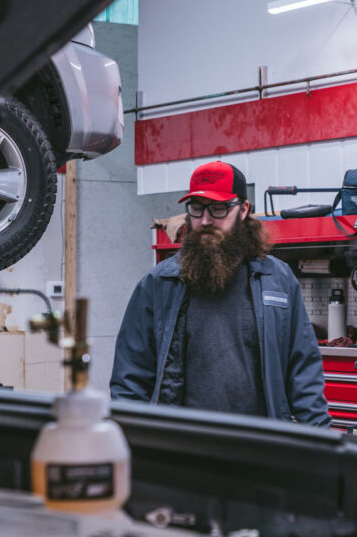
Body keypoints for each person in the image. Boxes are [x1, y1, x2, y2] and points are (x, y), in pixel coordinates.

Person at [110, 161, 331, 427]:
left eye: (218, 209)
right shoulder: (159, 284)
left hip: (260, 450)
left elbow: (303, 371)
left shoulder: (278, 280)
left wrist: (322, 444)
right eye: (196, 208)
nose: (205, 221)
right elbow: (130, 379)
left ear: (243, 210)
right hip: (181, 450)